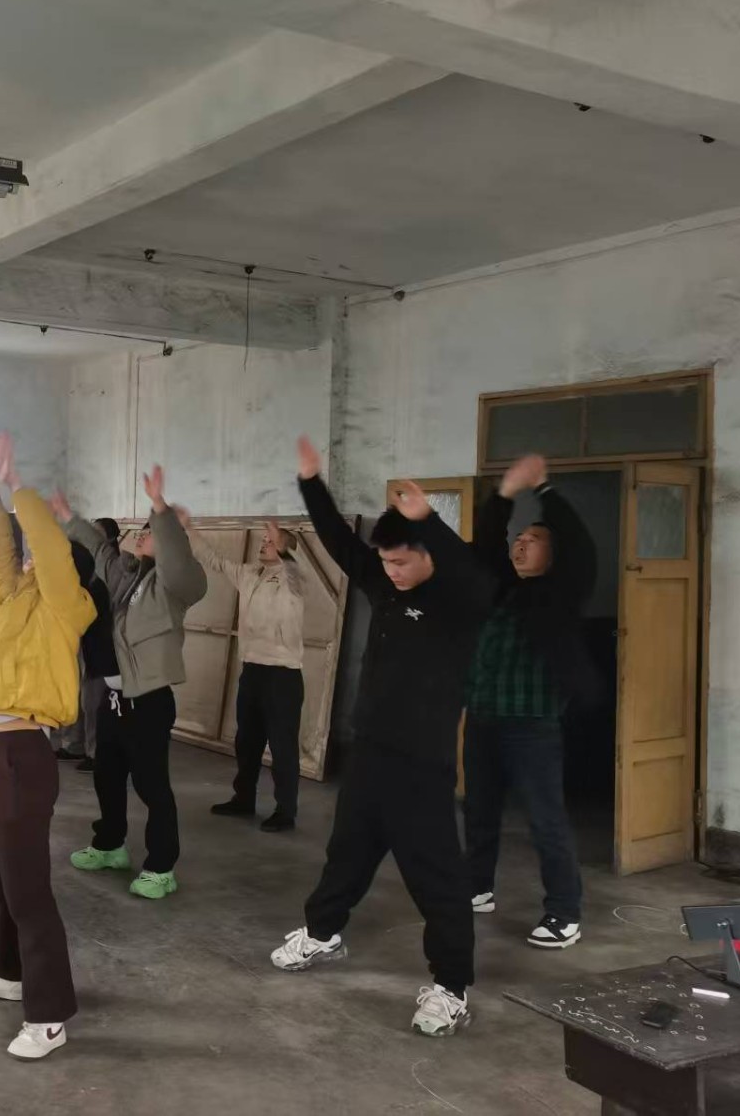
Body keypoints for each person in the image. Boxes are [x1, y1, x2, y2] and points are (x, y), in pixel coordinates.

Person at [270, 437, 493, 1038]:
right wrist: (311, 482)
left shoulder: (458, 599)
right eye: (387, 563)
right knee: (347, 852)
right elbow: (338, 540)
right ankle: (323, 933)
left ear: (428, 555)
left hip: (421, 764)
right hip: (369, 750)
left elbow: (475, 573)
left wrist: (431, 521)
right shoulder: (384, 581)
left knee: (436, 878)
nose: (392, 572)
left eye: (402, 562)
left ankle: (451, 986)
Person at [0, 432, 96, 1060]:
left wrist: (19, 489)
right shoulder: (9, 598)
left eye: (39, 555)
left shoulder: (67, 607)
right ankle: (6, 971)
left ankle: (50, 1013)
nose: (29, 559)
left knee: (27, 888)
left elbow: (50, 549)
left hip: (18, 755)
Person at [464, 454, 597, 950]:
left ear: (555, 555)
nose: (521, 542)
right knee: (478, 811)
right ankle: (476, 887)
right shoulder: (501, 589)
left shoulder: (562, 593)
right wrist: (503, 497)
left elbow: (580, 545)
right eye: (519, 537)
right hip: (483, 718)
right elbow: (487, 544)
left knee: (545, 819)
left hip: (531, 725)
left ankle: (564, 912)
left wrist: (543, 491)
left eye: (534, 538)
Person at [57, 467, 208, 901]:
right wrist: (68, 516)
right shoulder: (129, 575)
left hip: (148, 702)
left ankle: (161, 867)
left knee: (151, 786)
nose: (143, 534)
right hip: (114, 699)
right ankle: (110, 845)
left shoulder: (180, 585)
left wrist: (161, 508)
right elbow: (99, 548)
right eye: (143, 528)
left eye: (153, 531)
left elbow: (175, 559)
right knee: (106, 777)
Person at [201, 517, 308, 832]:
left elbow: (295, 569)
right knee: (246, 742)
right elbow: (215, 561)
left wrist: (284, 548)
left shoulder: (294, 581)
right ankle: (244, 798)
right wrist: (188, 530)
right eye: (263, 540)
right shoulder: (250, 574)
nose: (263, 544)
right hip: (253, 670)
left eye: (270, 542)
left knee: (282, 746)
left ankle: (285, 811)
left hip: (283, 676)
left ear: (286, 549)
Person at [56, 517, 120, 773]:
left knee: (94, 703)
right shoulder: (84, 567)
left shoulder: (111, 572)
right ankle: (74, 744)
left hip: (101, 649)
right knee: (79, 698)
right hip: (83, 646)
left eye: (95, 533)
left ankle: (96, 752)